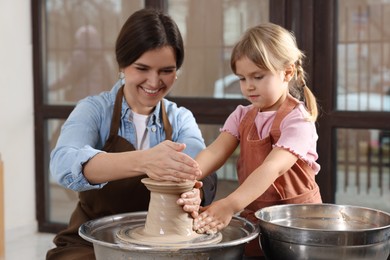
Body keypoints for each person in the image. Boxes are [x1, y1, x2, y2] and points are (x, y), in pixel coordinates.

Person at [46, 8, 217, 260]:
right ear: (123, 65)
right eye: (142, 68)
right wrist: (145, 161)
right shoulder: (93, 110)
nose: (154, 81)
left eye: (166, 71)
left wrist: (195, 192)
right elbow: (63, 162)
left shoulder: (180, 119)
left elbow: (199, 166)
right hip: (94, 240)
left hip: (162, 240)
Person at [192, 23, 322, 257]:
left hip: (298, 226)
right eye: (242, 78)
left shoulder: (298, 121)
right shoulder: (242, 115)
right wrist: (186, 177)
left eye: (258, 77)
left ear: (287, 72)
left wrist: (230, 205)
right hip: (256, 219)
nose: (248, 86)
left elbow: (272, 168)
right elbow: (214, 152)